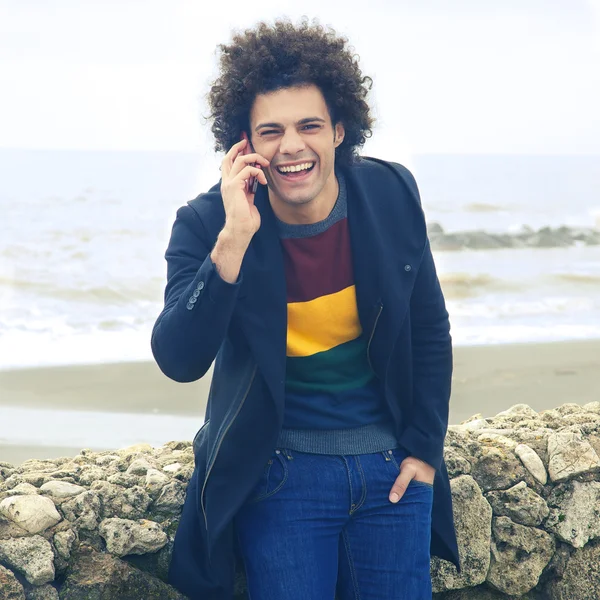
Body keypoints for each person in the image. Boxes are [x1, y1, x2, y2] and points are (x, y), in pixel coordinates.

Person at [151, 19, 459, 600]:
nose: (291, 145)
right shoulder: (204, 225)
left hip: (394, 472)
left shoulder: (390, 193)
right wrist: (233, 242)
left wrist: (424, 449)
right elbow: (179, 357)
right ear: (243, 145)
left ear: (340, 130)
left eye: (309, 125)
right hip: (281, 476)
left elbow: (429, 327)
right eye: (271, 131)